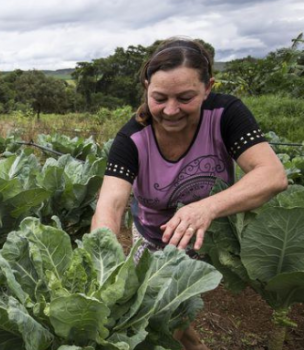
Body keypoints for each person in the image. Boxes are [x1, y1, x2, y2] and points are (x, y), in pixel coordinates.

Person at [91, 37, 288, 350]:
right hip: (154, 238)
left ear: (208, 87)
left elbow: (272, 175)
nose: (170, 110)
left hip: (211, 233)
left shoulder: (225, 114)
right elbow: (110, 205)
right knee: (164, 317)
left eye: (185, 97)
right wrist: (100, 258)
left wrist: (205, 208)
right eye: (159, 98)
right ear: (145, 87)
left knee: (179, 312)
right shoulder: (132, 138)